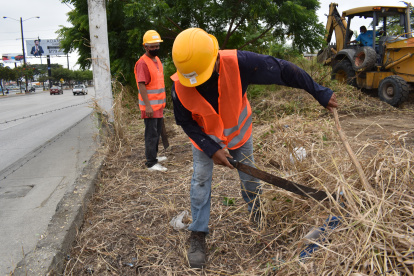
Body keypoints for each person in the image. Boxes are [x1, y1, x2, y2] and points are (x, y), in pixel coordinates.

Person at [170, 28, 338, 269]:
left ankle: (258, 219)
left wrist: (319, 92)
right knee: (200, 180)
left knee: (250, 180)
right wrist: (210, 148)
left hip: (238, 134)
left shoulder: (240, 63)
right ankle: (198, 233)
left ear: (216, 58)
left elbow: (283, 70)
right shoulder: (181, 84)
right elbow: (185, 121)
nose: (200, 82)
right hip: (205, 138)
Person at [134, 30, 168, 172]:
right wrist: (148, 106)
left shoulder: (157, 60)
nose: (155, 49)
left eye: (157, 46)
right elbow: (141, 84)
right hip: (150, 107)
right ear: (145, 47)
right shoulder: (142, 63)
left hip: (158, 105)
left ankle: (153, 156)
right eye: (152, 47)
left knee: (157, 132)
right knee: (151, 134)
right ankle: (151, 163)